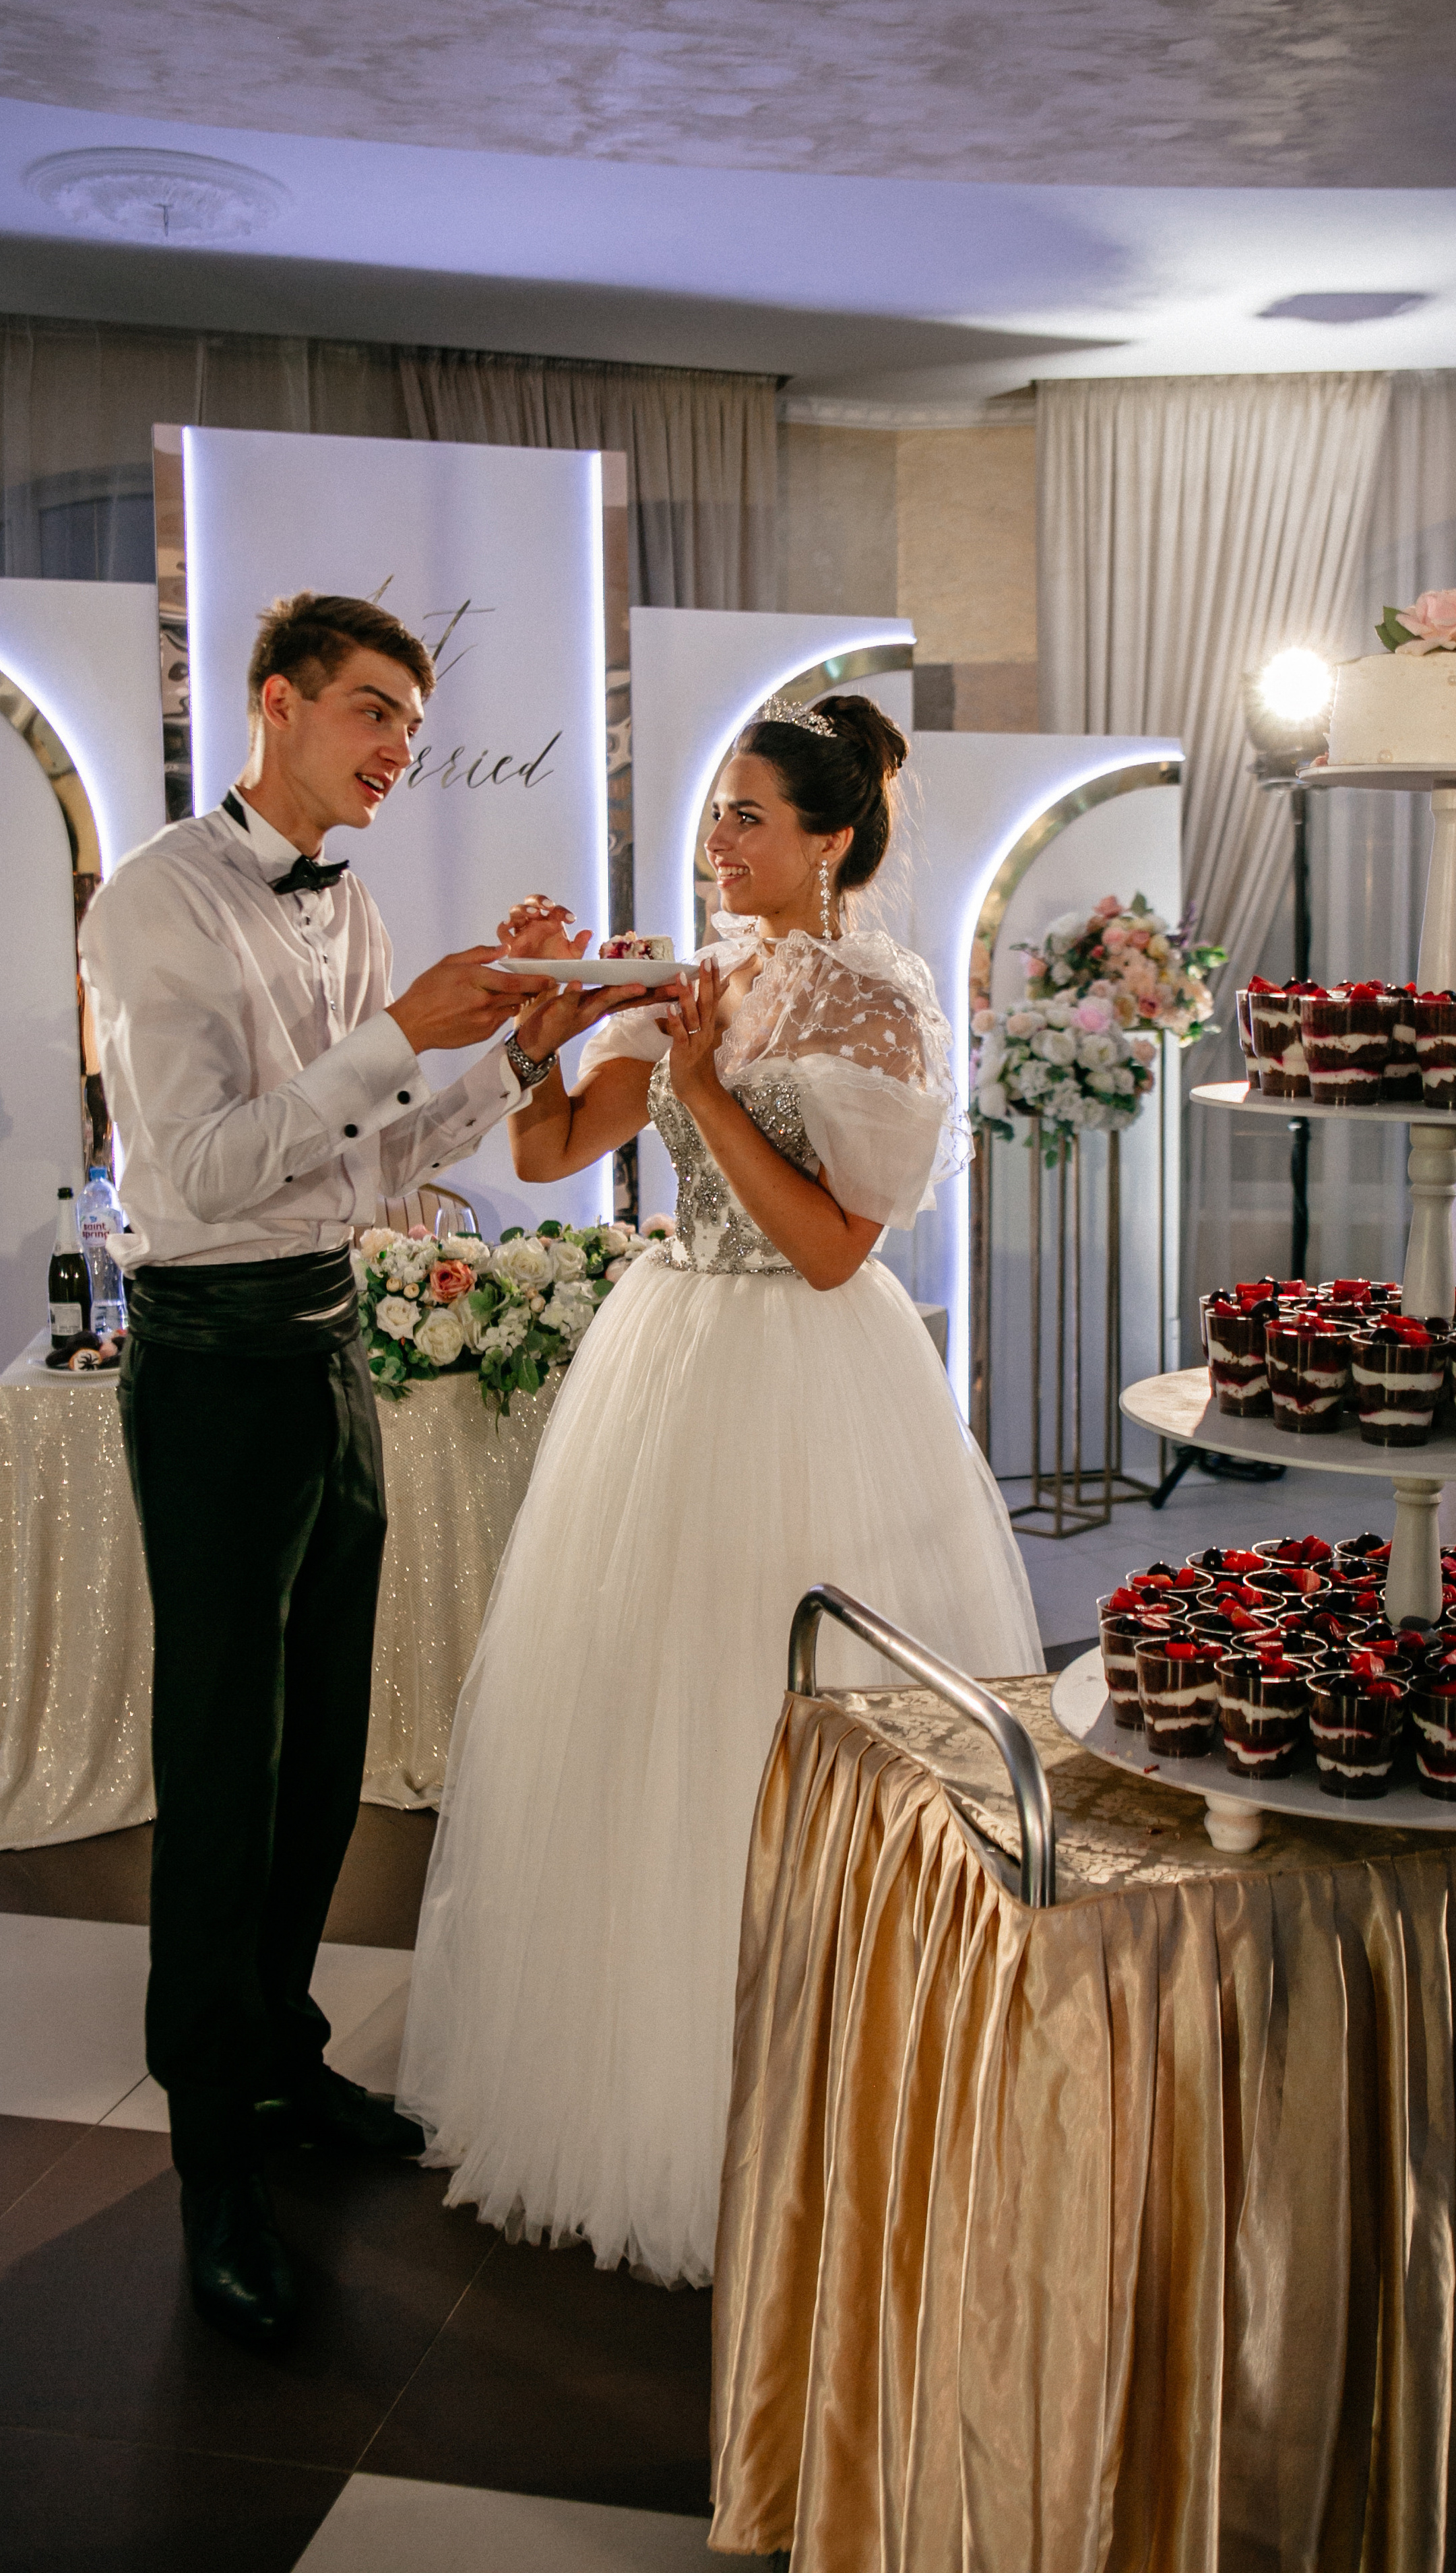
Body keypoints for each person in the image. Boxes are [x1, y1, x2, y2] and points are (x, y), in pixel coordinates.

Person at [396, 692, 1044, 2288]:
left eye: (749, 817)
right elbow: (551, 1157)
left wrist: (697, 1090)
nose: (720, 840)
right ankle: (641, 2077)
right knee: (643, 1714)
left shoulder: (871, 1002)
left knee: (788, 1730)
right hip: (667, 1354)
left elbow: (831, 1251)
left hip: (802, 1379)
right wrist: (539, 1039)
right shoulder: (694, 980)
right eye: (715, 815)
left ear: (831, 839)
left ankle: (825, 2094)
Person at [79, 590, 645, 2349]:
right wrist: (405, 1019)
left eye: (410, 720)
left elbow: (388, 1152)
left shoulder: (361, 902)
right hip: (214, 1366)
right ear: (278, 704)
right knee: (223, 1772)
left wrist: (514, 1045)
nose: (400, 749)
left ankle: (288, 2061)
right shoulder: (156, 899)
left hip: (335, 1342)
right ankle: (210, 2168)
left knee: (324, 1748)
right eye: (374, 714)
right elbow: (200, 1177)